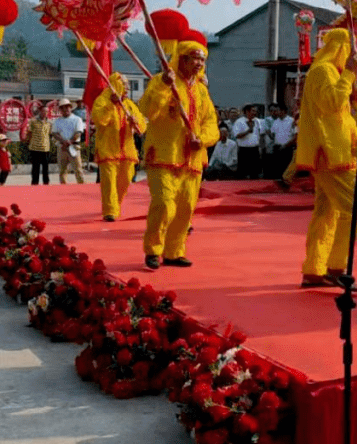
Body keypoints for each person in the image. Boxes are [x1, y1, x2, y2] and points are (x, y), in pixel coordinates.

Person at [139, 32, 219, 269]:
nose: (198, 64)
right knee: (164, 203)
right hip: (164, 155)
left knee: (185, 209)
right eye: (194, 58)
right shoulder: (161, 81)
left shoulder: (202, 91)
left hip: (192, 159)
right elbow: (148, 112)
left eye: (202, 60)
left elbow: (211, 124)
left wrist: (202, 139)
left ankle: (174, 251)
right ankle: (153, 249)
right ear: (181, 59)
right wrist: (164, 88)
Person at [295, 28, 357, 288]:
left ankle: (314, 269)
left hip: (334, 152)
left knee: (327, 213)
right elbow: (332, 103)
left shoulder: (327, 72)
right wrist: (349, 72)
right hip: (330, 155)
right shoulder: (324, 71)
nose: (351, 55)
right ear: (340, 48)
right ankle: (337, 267)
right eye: (349, 49)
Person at [91, 72, 147, 222]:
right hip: (108, 149)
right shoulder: (102, 101)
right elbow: (99, 120)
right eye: (125, 84)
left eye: (128, 85)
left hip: (127, 150)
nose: (128, 88)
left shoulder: (129, 105)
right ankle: (110, 211)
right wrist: (111, 105)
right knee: (109, 181)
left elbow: (142, 127)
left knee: (127, 179)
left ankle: (115, 204)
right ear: (116, 85)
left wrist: (135, 122)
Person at [51, 99, 86, 184]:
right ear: (60, 110)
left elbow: (78, 132)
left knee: (78, 170)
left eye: (67, 107)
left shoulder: (77, 119)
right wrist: (63, 142)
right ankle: (64, 190)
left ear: (70, 108)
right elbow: (55, 133)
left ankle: (82, 189)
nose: (65, 109)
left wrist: (69, 142)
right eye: (62, 108)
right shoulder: (57, 121)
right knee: (62, 171)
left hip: (74, 147)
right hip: (62, 147)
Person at [231, 104, 263, 180]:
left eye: (255, 111)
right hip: (244, 150)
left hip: (255, 150)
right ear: (247, 111)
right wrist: (248, 131)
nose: (255, 112)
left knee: (255, 172)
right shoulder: (239, 122)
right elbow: (237, 135)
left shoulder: (257, 121)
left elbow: (259, 134)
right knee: (243, 173)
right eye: (253, 111)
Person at [267, 102, 296, 182]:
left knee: (286, 166)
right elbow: (273, 134)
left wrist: (287, 145)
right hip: (277, 147)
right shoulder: (276, 121)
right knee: (277, 167)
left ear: (283, 111)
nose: (275, 112)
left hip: (287, 147)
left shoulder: (291, 121)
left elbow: (295, 136)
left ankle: (286, 182)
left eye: (277, 111)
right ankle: (278, 183)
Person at [25, 104, 52, 185]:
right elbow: (29, 133)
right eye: (44, 111)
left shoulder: (49, 122)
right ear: (40, 111)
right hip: (35, 148)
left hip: (45, 148)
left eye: (47, 111)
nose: (45, 113)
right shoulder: (33, 121)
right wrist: (29, 142)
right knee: (35, 169)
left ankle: (46, 184)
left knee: (46, 169)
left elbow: (49, 134)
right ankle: (34, 185)